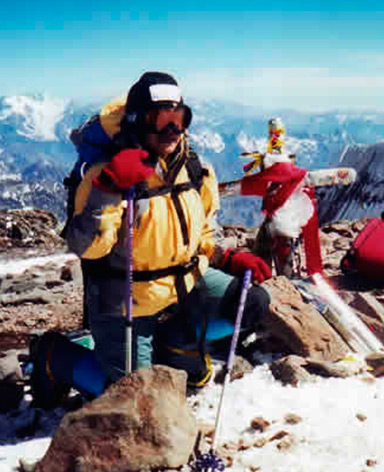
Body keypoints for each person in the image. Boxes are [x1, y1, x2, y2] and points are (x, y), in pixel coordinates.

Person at [57, 71, 270, 390]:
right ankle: (55, 358)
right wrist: (109, 189)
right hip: (127, 298)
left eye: (179, 117)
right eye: (160, 119)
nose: (172, 130)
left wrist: (225, 257)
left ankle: (174, 342)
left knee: (251, 301)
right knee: (133, 393)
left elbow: (203, 231)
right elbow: (87, 248)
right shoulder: (105, 173)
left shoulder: (193, 168)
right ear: (136, 120)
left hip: (183, 283)